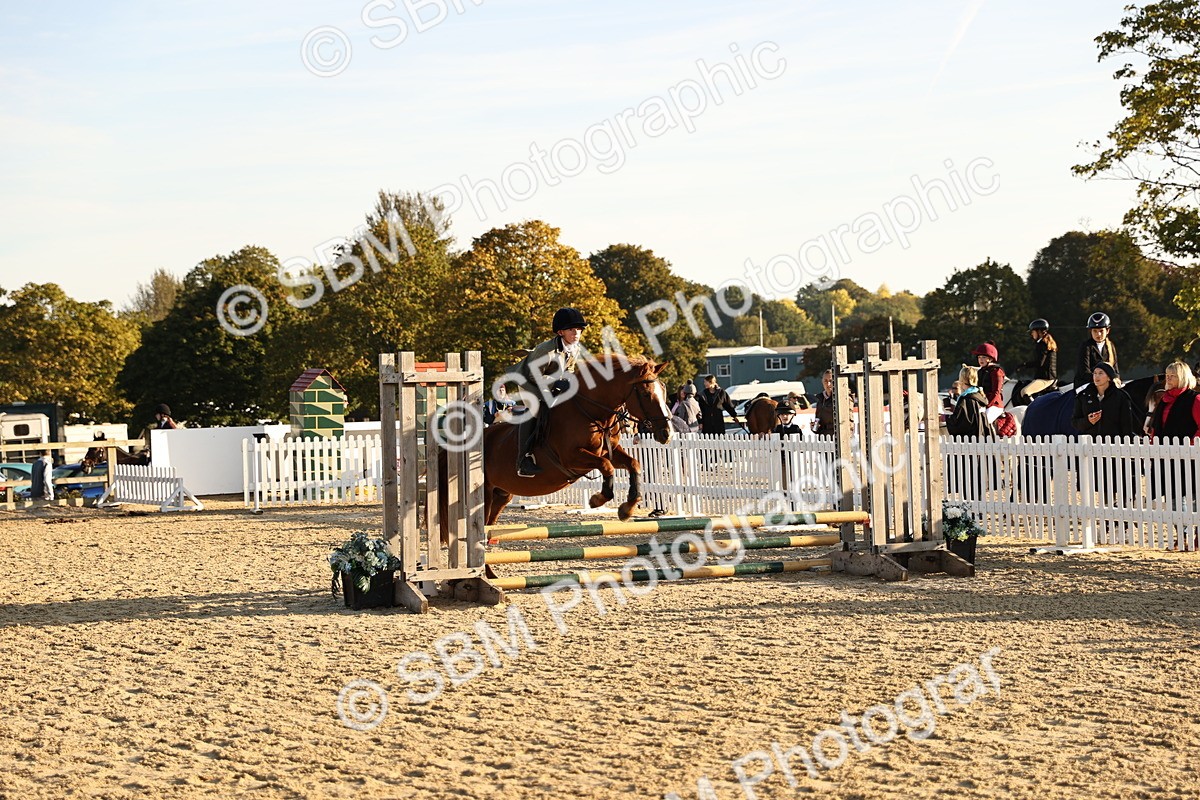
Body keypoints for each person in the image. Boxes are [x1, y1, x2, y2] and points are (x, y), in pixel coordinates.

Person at [510, 307, 587, 477]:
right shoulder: (546, 350)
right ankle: (523, 459)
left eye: (579, 329)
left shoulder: (575, 348)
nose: (576, 333)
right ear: (560, 332)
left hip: (548, 382)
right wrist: (555, 383)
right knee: (536, 409)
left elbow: (570, 369)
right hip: (528, 382)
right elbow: (533, 375)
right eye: (571, 329)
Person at [1071, 362, 1135, 437]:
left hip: (1113, 444)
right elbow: (1075, 422)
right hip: (1089, 444)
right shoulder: (1083, 396)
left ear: (1109, 377)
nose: (1096, 376)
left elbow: (1126, 425)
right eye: (1094, 373)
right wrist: (1088, 421)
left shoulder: (1121, 397)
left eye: (1100, 373)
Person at [1147, 361, 1200, 441]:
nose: (1168, 378)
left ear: (1182, 378)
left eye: (1172, 375)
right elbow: (1156, 427)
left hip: (1188, 451)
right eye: (1167, 375)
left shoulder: (1195, 399)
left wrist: (1191, 444)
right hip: (1162, 450)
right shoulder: (1164, 399)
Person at [1073, 312, 1119, 389]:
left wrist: (1116, 378)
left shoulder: (1111, 346)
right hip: (1086, 384)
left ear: (1107, 331)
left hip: (1106, 383)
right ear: (1090, 331)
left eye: (1101, 331)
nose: (1098, 334)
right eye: (1095, 331)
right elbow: (1084, 372)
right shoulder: (1085, 346)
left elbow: (1115, 370)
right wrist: (1102, 379)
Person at [945, 366, 992, 439]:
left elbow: (962, 423)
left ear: (962, 379)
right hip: (983, 437)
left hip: (971, 442)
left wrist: (945, 418)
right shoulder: (979, 395)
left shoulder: (966, 399)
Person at [1017, 319, 1058, 399]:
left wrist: (1025, 365)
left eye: (1033, 331)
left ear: (1038, 331)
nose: (1032, 334)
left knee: (1024, 392)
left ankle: (1034, 410)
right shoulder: (1046, 343)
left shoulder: (1042, 344)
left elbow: (1039, 363)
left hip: (1045, 378)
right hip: (1049, 377)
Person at [971, 342, 1006, 408]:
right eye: (979, 357)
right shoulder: (980, 371)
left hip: (994, 405)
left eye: (984, 357)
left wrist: (987, 405)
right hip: (982, 403)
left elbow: (996, 391)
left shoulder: (996, 371)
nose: (980, 359)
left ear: (990, 359)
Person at [811, 369, 836, 436]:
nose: (828, 384)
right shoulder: (820, 399)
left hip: (837, 438)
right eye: (825, 381)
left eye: (831, 381)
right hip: (823, 439)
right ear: (822, 382)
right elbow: (818, 420)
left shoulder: (841, 398)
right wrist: (814, 427)